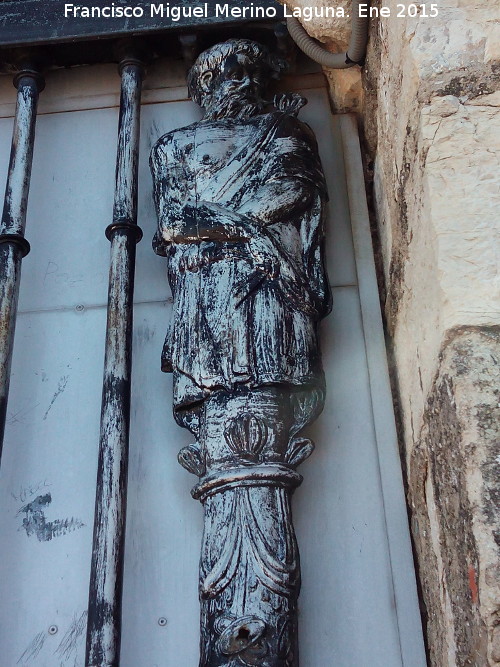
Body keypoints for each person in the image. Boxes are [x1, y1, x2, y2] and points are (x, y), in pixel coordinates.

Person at [150, 39, 331, 438]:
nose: (249, 82)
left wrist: (221, 224)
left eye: (257, 74)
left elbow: (296, 187)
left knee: (273, 375)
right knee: (216, 389)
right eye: (238, 72)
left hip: (271, 275)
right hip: (205, 280)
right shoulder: (173, 146)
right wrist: (248, 232)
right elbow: (174, 222)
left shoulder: (283, 129)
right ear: (209, 81)